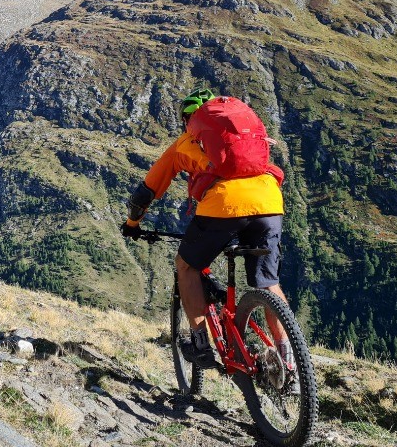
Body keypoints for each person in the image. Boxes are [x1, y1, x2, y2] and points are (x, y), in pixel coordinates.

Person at [121, 88, 291, 369]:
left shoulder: (184, 143)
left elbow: (147, 190)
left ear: (189, 121)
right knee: (268, 282)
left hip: (222, 206)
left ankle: (200, 344)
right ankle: (289, 357)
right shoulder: (243, 140)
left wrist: (132, 224)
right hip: (270, 201)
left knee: (186, 266)